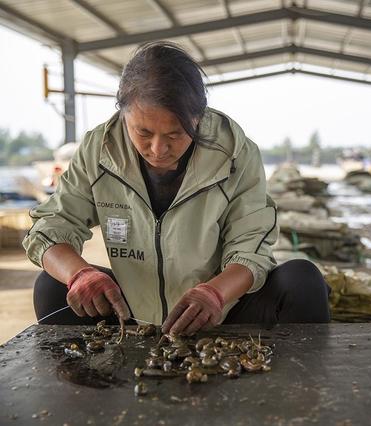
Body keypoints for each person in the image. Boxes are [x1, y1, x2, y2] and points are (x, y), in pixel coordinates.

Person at [22, 42, 330, 335]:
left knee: (302, 281)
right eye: (143, 132)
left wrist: (214, 294)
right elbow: (52, 227)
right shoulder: (99, 150)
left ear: (198, 117)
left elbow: (252, 248)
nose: (158, 149)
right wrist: (80, 275)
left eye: (175, 133)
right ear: (122, 114)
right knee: (51, 287)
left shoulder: (235, 153)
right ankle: (97, 386)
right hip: (130, 316)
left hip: (225, 314)